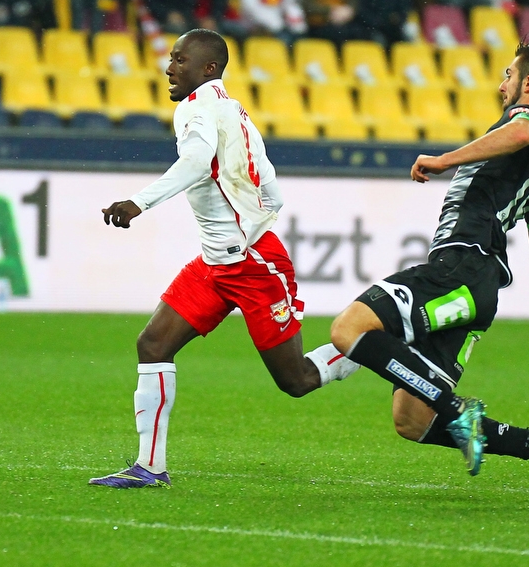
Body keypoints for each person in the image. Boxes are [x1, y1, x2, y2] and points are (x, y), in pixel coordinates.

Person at [311, 37, 529, 498]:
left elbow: (522, 128)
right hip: (480, 287)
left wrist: (443, 159)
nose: (502, 84)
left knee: (349, 329)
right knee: (412, 419)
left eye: (508, 74)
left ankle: (458, 408)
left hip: (461, 266)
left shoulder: (528, 121)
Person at [88, 29, 351, 489]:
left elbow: (195, 163)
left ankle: (369, 345)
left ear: (207, 68)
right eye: (170, 59)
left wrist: (138, 203)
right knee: (153, 345)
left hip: (252, 265)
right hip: (215, 264)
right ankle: (149, 468)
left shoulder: (196, 109)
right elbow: (270, 184)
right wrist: (254, 214)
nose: (170, 67)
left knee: (297, 380)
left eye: (180, 59)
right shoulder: (232, 109)